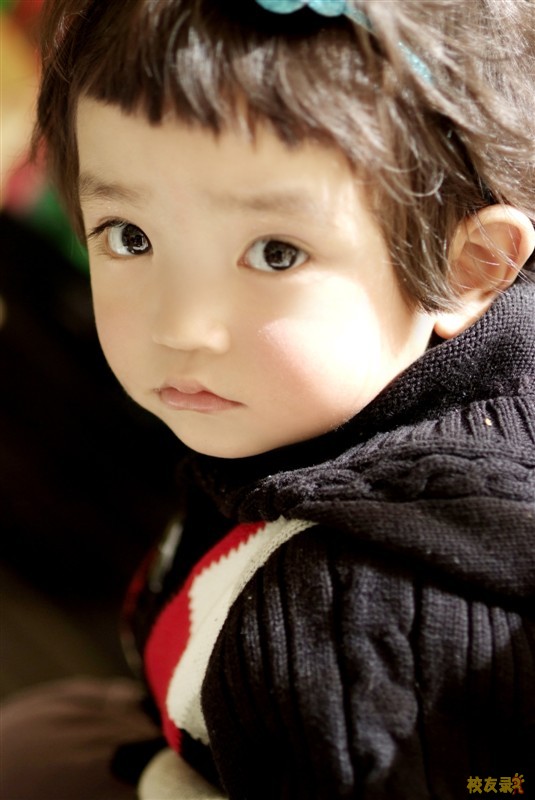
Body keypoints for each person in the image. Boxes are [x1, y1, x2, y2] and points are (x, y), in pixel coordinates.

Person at [2, 0, 534, 798]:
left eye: (276, 252)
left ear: (471, 266)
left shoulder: (352, 636)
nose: (181, 326)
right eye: (130, 236)